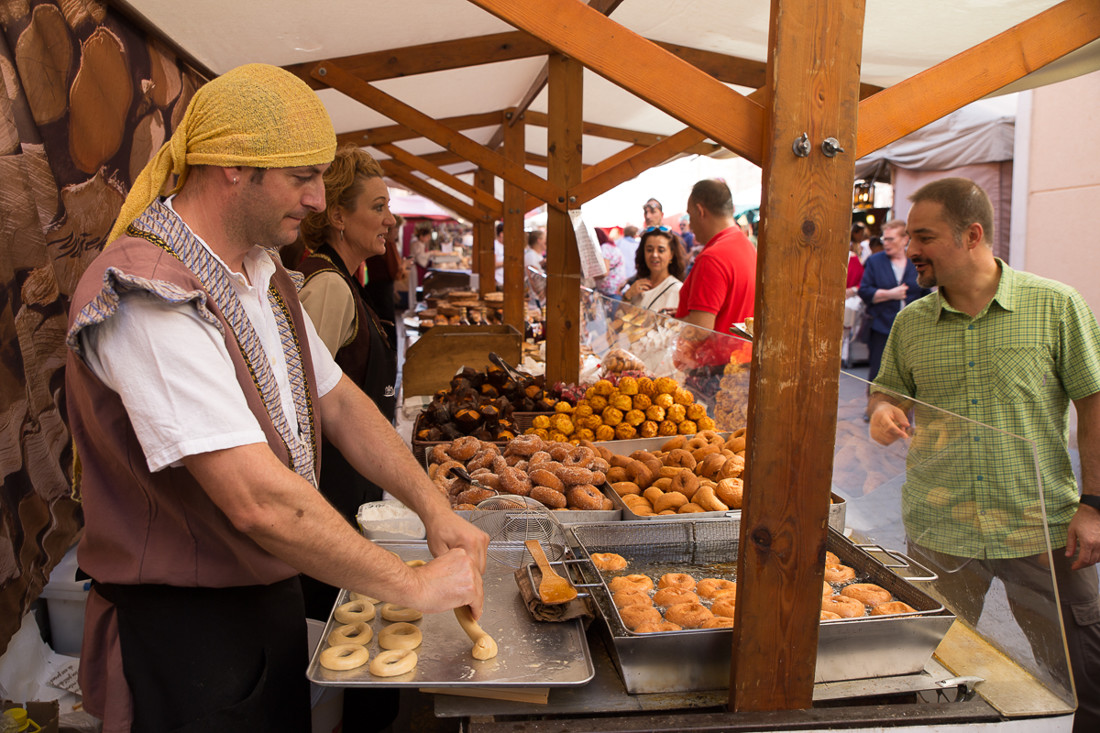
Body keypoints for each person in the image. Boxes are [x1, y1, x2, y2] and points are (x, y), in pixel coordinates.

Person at [64, 64, 488, 732]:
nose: (320, 199)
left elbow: (342, 402)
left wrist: (435, 509)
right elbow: (255, 499)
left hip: (263, 602)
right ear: (233, 167)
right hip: (188, 633)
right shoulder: (147, 296)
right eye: (302, 177)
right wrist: (408, 583)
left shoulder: (259, 270)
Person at [869, 177, 1100, 732]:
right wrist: (880, 412)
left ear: (972, 235)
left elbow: (1094, 406)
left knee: (1083, 680)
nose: (910, 248)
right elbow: (885, 394)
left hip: (1039, 527)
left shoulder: (1056, 305)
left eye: (924, 236)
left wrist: (1093, 503)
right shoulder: (911, 322)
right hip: (939, 531)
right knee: (928, 680)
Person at [674, 178, 757, 368]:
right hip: (739, 364)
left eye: (690, 215)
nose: (690, 224)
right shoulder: (747, 246)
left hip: (712, 370)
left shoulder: (712, 257)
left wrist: (670, 326)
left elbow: (700, 327)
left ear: (700, 211)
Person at [858, 219, 929, 420]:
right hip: (881, 325)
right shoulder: (875, 261)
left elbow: (925, 292)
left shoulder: (916, 261)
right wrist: (890, 294)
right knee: (878, 370)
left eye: (890, 239)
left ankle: (905, 411)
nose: (886, 242)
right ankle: (873, 408)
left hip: (912, 330)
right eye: (884, 239)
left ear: (905, 239)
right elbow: (865, 290)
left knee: (912, 372)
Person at [621, 225, 686, 314]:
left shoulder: (677, 290)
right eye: (649, 250)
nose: (654, 255)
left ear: (671, 254)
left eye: (661, 250)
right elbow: (619, 321)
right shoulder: (638, 285)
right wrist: (627, 297)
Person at [362, 212, 404, 345]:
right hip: (382, 289)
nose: (397, 233)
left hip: (377, 288)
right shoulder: (388, 245)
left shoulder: (382, 243)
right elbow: (394, 271)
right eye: (397, 230)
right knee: (387, 324)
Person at [524, 228, 547, 307]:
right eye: (545, 238)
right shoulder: (531, 255)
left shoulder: (537, 255)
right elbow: (533, 278)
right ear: (539, 240)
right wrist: (541, 297)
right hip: (536, 300)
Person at [493, 221, 506, 289]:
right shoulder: (495, 245)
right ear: (501, 234)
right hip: (498, 282)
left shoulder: (506, 246)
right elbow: (493, 264)